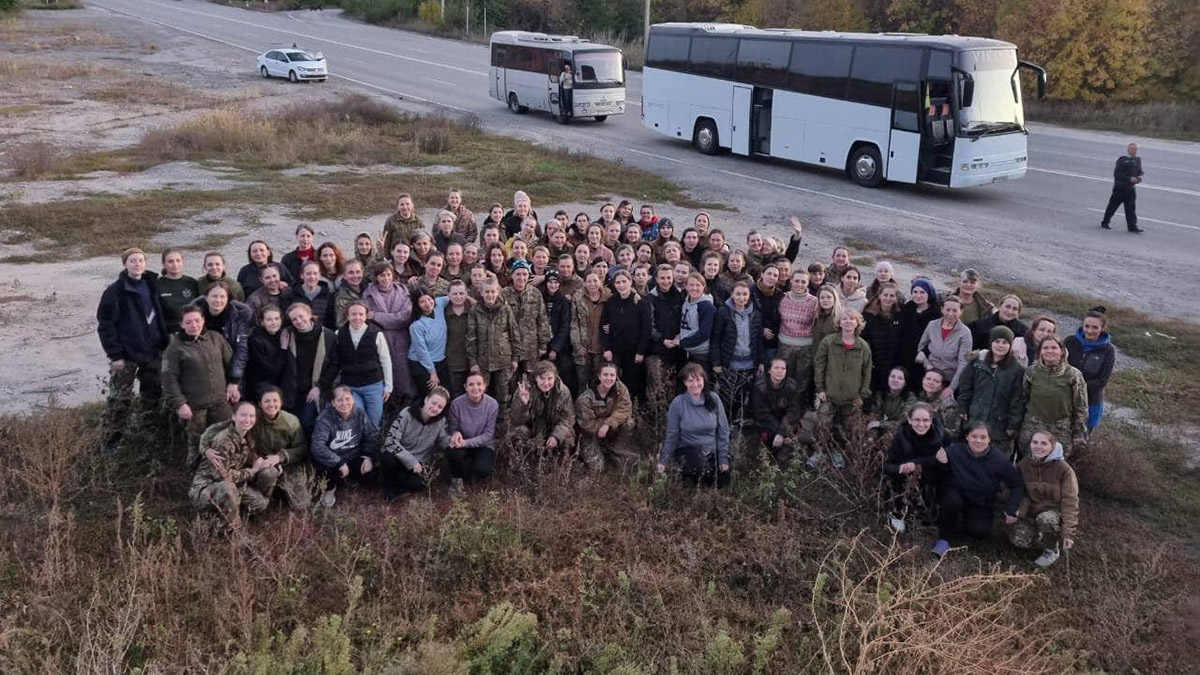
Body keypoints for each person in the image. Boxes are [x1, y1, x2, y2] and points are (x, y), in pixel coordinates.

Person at [97, 247, 169, 452]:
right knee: (120, 398)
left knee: (151, 393)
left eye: (141, 260)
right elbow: (106, 325)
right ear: (125, 264)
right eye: (132, 261)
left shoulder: (151, 284)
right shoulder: (115, 291)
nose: (137, 264)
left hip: (152, 351)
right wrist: (115, 354)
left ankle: (149, 431)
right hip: (126, 355)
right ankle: (112, 439)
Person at [931, 422, 1025, 557]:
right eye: (974, 436)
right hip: (957, 495)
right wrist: (942, 462)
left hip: (981, 502)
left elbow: (1016, 484)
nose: (978, 441)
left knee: (979, 532)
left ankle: (959, 522)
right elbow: (936, 470)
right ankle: (944, 538)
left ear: (989, 439)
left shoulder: (999, 459)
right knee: (951, 502)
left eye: (983, 437)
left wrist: (1012, 507)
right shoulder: (954, 451)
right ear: (967, 437)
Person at [162, 305, 234, 467]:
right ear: (181, 324)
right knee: (197, 443)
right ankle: (193, 472)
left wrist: (234, 384)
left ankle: (226, 469)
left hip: (221, 402)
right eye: (188, 322)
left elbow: (231, 364)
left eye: (197, 320)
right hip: (194, 407)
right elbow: (168, 378)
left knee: (226, 437)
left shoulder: (216, 338)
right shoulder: (175, 347)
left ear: (203, 321)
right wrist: (180, 404)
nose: (194, 325)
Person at [189, 401, 276, 522]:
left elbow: (253, 458)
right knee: (228, 489)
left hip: (235, 485)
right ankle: (233, 531)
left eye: (251, 416)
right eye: (243, 415)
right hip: (209, 487)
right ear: (234, 416)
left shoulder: (248, 436)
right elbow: (225, 476)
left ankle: (233, 512)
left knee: (260, 503)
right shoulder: (222, 440)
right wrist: (252, 471)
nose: (247, 419)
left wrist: (268, 463)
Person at [1010, 430, 1079, 568]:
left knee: (1045, 520)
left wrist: (1068, 533)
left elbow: (1070, 501)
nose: (1039, 447)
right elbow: (1021, 492)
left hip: (1053, 510)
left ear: (1052, 446)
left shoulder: (1064, 469)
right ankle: (1038, 533)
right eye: (1035, 442)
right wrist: (1019, 511)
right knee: (1019, 541)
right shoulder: (1023, 465)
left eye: (1044, 443)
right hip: (1033, 509)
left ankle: (1052, 548)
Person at [319, 301, 392, 429]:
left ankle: (372, 448)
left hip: (373, 385)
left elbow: (386, 361)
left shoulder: (376, 334)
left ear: (366, 316)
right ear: (347, 316)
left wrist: (388, 386)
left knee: (374, 423)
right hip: (350, 386)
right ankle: (357, 448)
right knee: (358, 422)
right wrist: (324, 384)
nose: (357, 318)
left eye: (360, 314)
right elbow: (335, 362)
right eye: (353, 314)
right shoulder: (339, 334)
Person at [656, 363, 731, 487]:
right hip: (688, 448)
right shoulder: (678, 403)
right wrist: (664, 460)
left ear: (704, 380)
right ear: (685, 383)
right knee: (700, 469)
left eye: (698, 380)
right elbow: (672, 434)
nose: (695, 384)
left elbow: (723, 429)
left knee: (723, 478)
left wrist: (723, 457)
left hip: (711, 449)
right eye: (690, 381)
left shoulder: (714, 399)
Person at [814, 311, 873, 457]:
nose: (847, 321)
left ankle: (838, 453)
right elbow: (819, 366)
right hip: (829, 395)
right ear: (839, 323)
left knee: (847, 429)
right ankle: (819, 451)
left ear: (857, 323)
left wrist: (862, 394)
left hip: (852, 398)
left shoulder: (863, 346)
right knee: (823, 425)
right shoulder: (828, 342)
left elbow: (867, 372)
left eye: (851, 319)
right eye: (844, 319)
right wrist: (820, 388)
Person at [956, 326, 1025, 448]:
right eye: (997, 341)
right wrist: (963, 406)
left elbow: (1017, 399)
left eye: (1005, 342)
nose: (1000, 345)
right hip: (975, 417)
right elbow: (966, 386)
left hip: (999, 424)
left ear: (1010, 345)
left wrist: (1012, 424)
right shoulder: (977, 363)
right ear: (991, 343)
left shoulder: (1016, 370)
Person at [310, 386, 379, 507]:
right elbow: (317, 446)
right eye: (339, 400)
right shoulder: (325, 418)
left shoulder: (360, 413)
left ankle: (348, 479)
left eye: (347, 399)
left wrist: (367, 457)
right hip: (333, 459)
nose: (344, 403)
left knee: (371, 472)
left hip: (353, 455)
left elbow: (371, 435)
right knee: (324, 470)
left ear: (353, 399)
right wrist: (339, 462)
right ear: (333, 402)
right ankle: (329, 489)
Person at [882, 402, 946, 533]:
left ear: (931, 420)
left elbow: (948, 460)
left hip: (932, 480)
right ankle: (898, 513)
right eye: (917, 420)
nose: (921, 424)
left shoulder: (941, 436)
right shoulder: (901, 437)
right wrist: (899, 468)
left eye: (925, 420)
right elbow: (887, 466)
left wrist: (918, 463)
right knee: (895, 478)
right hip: (906, 480)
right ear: (910, 420)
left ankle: (930, 514)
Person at [1020, 336, 1088, 457]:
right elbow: (1023, 398)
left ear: (1062, 351)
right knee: (1028, 462)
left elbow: (1081, 406)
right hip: (1033, 425)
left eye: (1053, 347)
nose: (1049, 351)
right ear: (1040, 351)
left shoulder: (1073, 375)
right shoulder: (1031, 372)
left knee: (1056, 464)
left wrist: (1079, 432)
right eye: (1045, 348)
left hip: (1061, 428)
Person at [379, 387, 450, 497]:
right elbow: (390, 440)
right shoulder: (407, 413)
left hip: (420, 463)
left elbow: (443, 440)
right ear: (426, 400)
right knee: (387, 457)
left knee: (417, 483)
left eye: (440, 407)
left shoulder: (441, 421)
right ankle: (390, 487)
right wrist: (411, 461)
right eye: (433, 403)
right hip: (401, 457)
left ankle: (399, 485)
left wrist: (453, 442)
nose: (435, 408)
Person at [249, 386, 311, 511]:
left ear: (281, 403)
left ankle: (280, 489)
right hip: (263, 463)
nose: (271, 404)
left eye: (275, 401)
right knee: (267, 474)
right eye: (267, 401)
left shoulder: (291, 421)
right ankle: (263, 501)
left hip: (288, 464)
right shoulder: (252, 418)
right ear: (260, 404)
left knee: (301, 505)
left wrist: (280, 457)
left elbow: (302, 448)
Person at [361, 263, 415, 403]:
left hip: (401, 340)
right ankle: (387, 405)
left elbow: (404, 317)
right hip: (379, 339)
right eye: (382, 275)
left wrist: (377, 316)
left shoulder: (403, 291)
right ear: (376, 277)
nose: (386, 278)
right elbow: (366, 318)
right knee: (383, 370)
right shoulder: (368, 294)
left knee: (403, 371)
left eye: (388, 274)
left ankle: (405, 402)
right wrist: (392, 318)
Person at [712, 281, 763, 427]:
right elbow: (716, 338)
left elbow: (758, 339)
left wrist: (760, 361)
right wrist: (716, 363)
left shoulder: (755, 313)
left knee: (743, 396)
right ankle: (723, 424)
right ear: (732, 294)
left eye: (745, 294)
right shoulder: (723, 312)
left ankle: (736, 424)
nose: (741, 297)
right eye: (738, 294)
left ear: (749, 296)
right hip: (730, 363)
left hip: (749, 363)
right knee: (727, 397)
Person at [466, 280, 518, 420]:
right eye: (487, 292)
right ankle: (481, 420)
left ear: (498, 293)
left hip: (504, 359)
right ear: (481, 293)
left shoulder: (506, 309)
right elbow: (471, 338)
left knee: (503, 393)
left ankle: (502, 422)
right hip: (483, 360)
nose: (490, 295)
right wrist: (473, 362)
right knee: (481, 392)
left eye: (493, 291)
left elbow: (514, 333)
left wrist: (515, 358)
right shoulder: (475, 310)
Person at [283, 302, 335, 436]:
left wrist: (319, 387)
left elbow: (335, 365)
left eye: (301, 316)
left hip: (315, 389)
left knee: (307, 422)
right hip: (293, 390)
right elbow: (281, 366)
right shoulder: (287, 336)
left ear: (310, 314)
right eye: (294, 319)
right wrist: (283, 349)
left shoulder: (327, 335)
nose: (299, 321)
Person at [575, 362, 637, 472]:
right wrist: (603, 425)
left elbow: (625, 409)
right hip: (590, 435)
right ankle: (585, 453)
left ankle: (617, 448)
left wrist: (608, 424)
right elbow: (587, 424)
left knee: (629, 422)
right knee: (598, 468)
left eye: (612, 375)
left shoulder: (620, 389)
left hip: (610, 428)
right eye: (605, 375)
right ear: (599, 376)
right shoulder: (585, 399)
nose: (609, 378)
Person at [1063, 307, 1116, 432]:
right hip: (1065, 397)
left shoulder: (1108, 350)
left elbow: (1102, 380)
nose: (1089, 331)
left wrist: (1076, 387)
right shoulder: (1070, 341)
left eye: (1095, 327)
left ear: (1102, 329)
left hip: (1091, 401)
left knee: (1081, 438)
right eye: (1087, 326)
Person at [446, 370, 499, 493]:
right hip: (462, 443)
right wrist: (456, 433)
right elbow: (453, 428)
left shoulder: (492, 404)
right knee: (452, 452)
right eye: (471, 385)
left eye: (479, 384)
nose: (475, 388)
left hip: (484, 445)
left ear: (484, 386)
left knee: (482, 470)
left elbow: (488, 434)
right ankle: (457, 479)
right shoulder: (456, 404)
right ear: (465, 387)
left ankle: (473, 471)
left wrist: (466, 443)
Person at [510, 360, 576, 455]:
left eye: (550, 379)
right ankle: (523, 462)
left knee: (567, 438)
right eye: (542, 378)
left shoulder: (563, 391)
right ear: (535, 377)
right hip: (531, 430)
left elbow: (567, 419)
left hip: (552, 429)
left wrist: (556, 436)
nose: (546, 383)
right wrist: (524, 404)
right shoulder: (524, 390)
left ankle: (557, 463)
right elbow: (516, 420)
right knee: (517, 434)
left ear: (555, 377)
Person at [916, 295, 972, 401]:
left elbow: (963, 363)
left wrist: (951, 388)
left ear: (961, 311)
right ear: (942, 310)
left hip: (948, 380)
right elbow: (921, 346)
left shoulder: (965, 333)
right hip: (929, 376)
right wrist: (927, 366)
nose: (951, 314)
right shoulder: (932, 325)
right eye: (948, 309)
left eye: (955, 310)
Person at [503, 260, 552, 383]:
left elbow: (542, 320)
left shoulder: (535, 293)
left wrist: (543, 344)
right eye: (518, 274)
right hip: (510, 348)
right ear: (512, 275)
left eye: (524, 274)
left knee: (531, 380)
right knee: (511, 382)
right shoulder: (504, 294)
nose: (521, 277)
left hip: (531, 347)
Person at [750, 358, 806, 462]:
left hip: (785, 421)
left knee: (794, 435)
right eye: (776, 368)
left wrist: (782, 432)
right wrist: (777, 432)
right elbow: (761, 413)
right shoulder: (759, 386)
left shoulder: (791, 386)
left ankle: (785, 456)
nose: (779, 371)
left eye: (783, 368)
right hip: (766, 422)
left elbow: (793, 411)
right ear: (769, 370)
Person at [242, 306, 295, 407]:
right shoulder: (255, 340)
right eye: (269, 319)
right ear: (262, 322)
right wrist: (283, 349)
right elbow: (271, 369)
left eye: (276, 318)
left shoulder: (282, 334)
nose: (274, 322)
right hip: (262, 387)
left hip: (283, 385)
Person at [777, 270, 817, 389]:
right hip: (785, 345)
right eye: (797, 281)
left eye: (803, 281)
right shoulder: (782, 298)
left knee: (802, 380)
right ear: (791, 281)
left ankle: (799, 405)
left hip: (805, 347)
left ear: (808, 283)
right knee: (784, 378)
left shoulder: (814, 301)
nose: (800, 284)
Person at [862, 282, 904, 393]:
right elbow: (863, 339)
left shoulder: (900, 314)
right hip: (874, 363)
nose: (888, 298)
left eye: (892, 296)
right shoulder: (868, 315)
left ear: (896, 298)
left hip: (893, 363)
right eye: (885, 295)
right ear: (879, 295)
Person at [898, 278, 940, 388]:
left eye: (922, 292)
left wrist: (925, 351)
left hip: (924, 358)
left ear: (929, 294)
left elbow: (937, 338)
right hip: (905, 355)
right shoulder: (907, 308)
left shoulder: (936, 313)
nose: (918, 295)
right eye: (915, 292)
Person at [409, 291, 451, 396]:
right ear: (417, 305)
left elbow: (454, 296)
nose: (427, 303)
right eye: (422, 302)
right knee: (431, 395)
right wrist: (432, 372)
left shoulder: (439, 304)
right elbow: (421, 351)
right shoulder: (416, 325)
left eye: (429, 299)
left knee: (446, 393)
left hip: (440, 360)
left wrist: (471, 301)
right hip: (422, 364)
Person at [1100, 142, 1144, 232]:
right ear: (1129, 150)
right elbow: (1117, 174)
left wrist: (1138, 178)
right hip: (1120, 188)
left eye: (1136, 149)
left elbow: (1138, 172)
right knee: (1113, 206)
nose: (1135, 151)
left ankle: (1132, 226)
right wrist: (1129, 179)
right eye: (1133, 149)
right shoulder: (1122, 160)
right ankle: (1105, 222)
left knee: (1131, 208)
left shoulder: (1137, 160)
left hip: (1130, 189)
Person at [679, 273, 716, 370]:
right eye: (691, 285)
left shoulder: (706, 306)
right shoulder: (686, 302)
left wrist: (682, 342)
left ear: (703, 287)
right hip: (687, 350)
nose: (694, 288)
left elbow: (704, 333)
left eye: (698, 285)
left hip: (700, 353)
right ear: (686, 286)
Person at [157, 248, 199, 332]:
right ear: (163, 264)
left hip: (192, 330)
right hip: (169, 332)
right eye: (170, 261)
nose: (175, 264)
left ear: (183, 262)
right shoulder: (157, 284)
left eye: (178, 260)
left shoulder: (192, 283)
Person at [867, 366, 915, 436]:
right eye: (892, 376)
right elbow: (875, 416)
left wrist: (881, 424)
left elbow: (904, 422)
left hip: (901, 431)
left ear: (905, 383)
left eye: (900, 378)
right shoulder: (881, 395)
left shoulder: (910, 398)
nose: (895, 380)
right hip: (884, 428)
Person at [289, 261, 335, 329]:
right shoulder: (291, 295)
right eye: (308, 274)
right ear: (302, 275)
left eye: (315, 273)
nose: (312, 277)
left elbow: (331, 321)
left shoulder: (328, 296)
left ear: (319, 275)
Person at [332, 259, 366, 327]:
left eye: (358, 272)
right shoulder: (340, 296)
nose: (355, 276)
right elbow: (340, 323)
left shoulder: (369, 290)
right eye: (351, 272)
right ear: (344, 276)